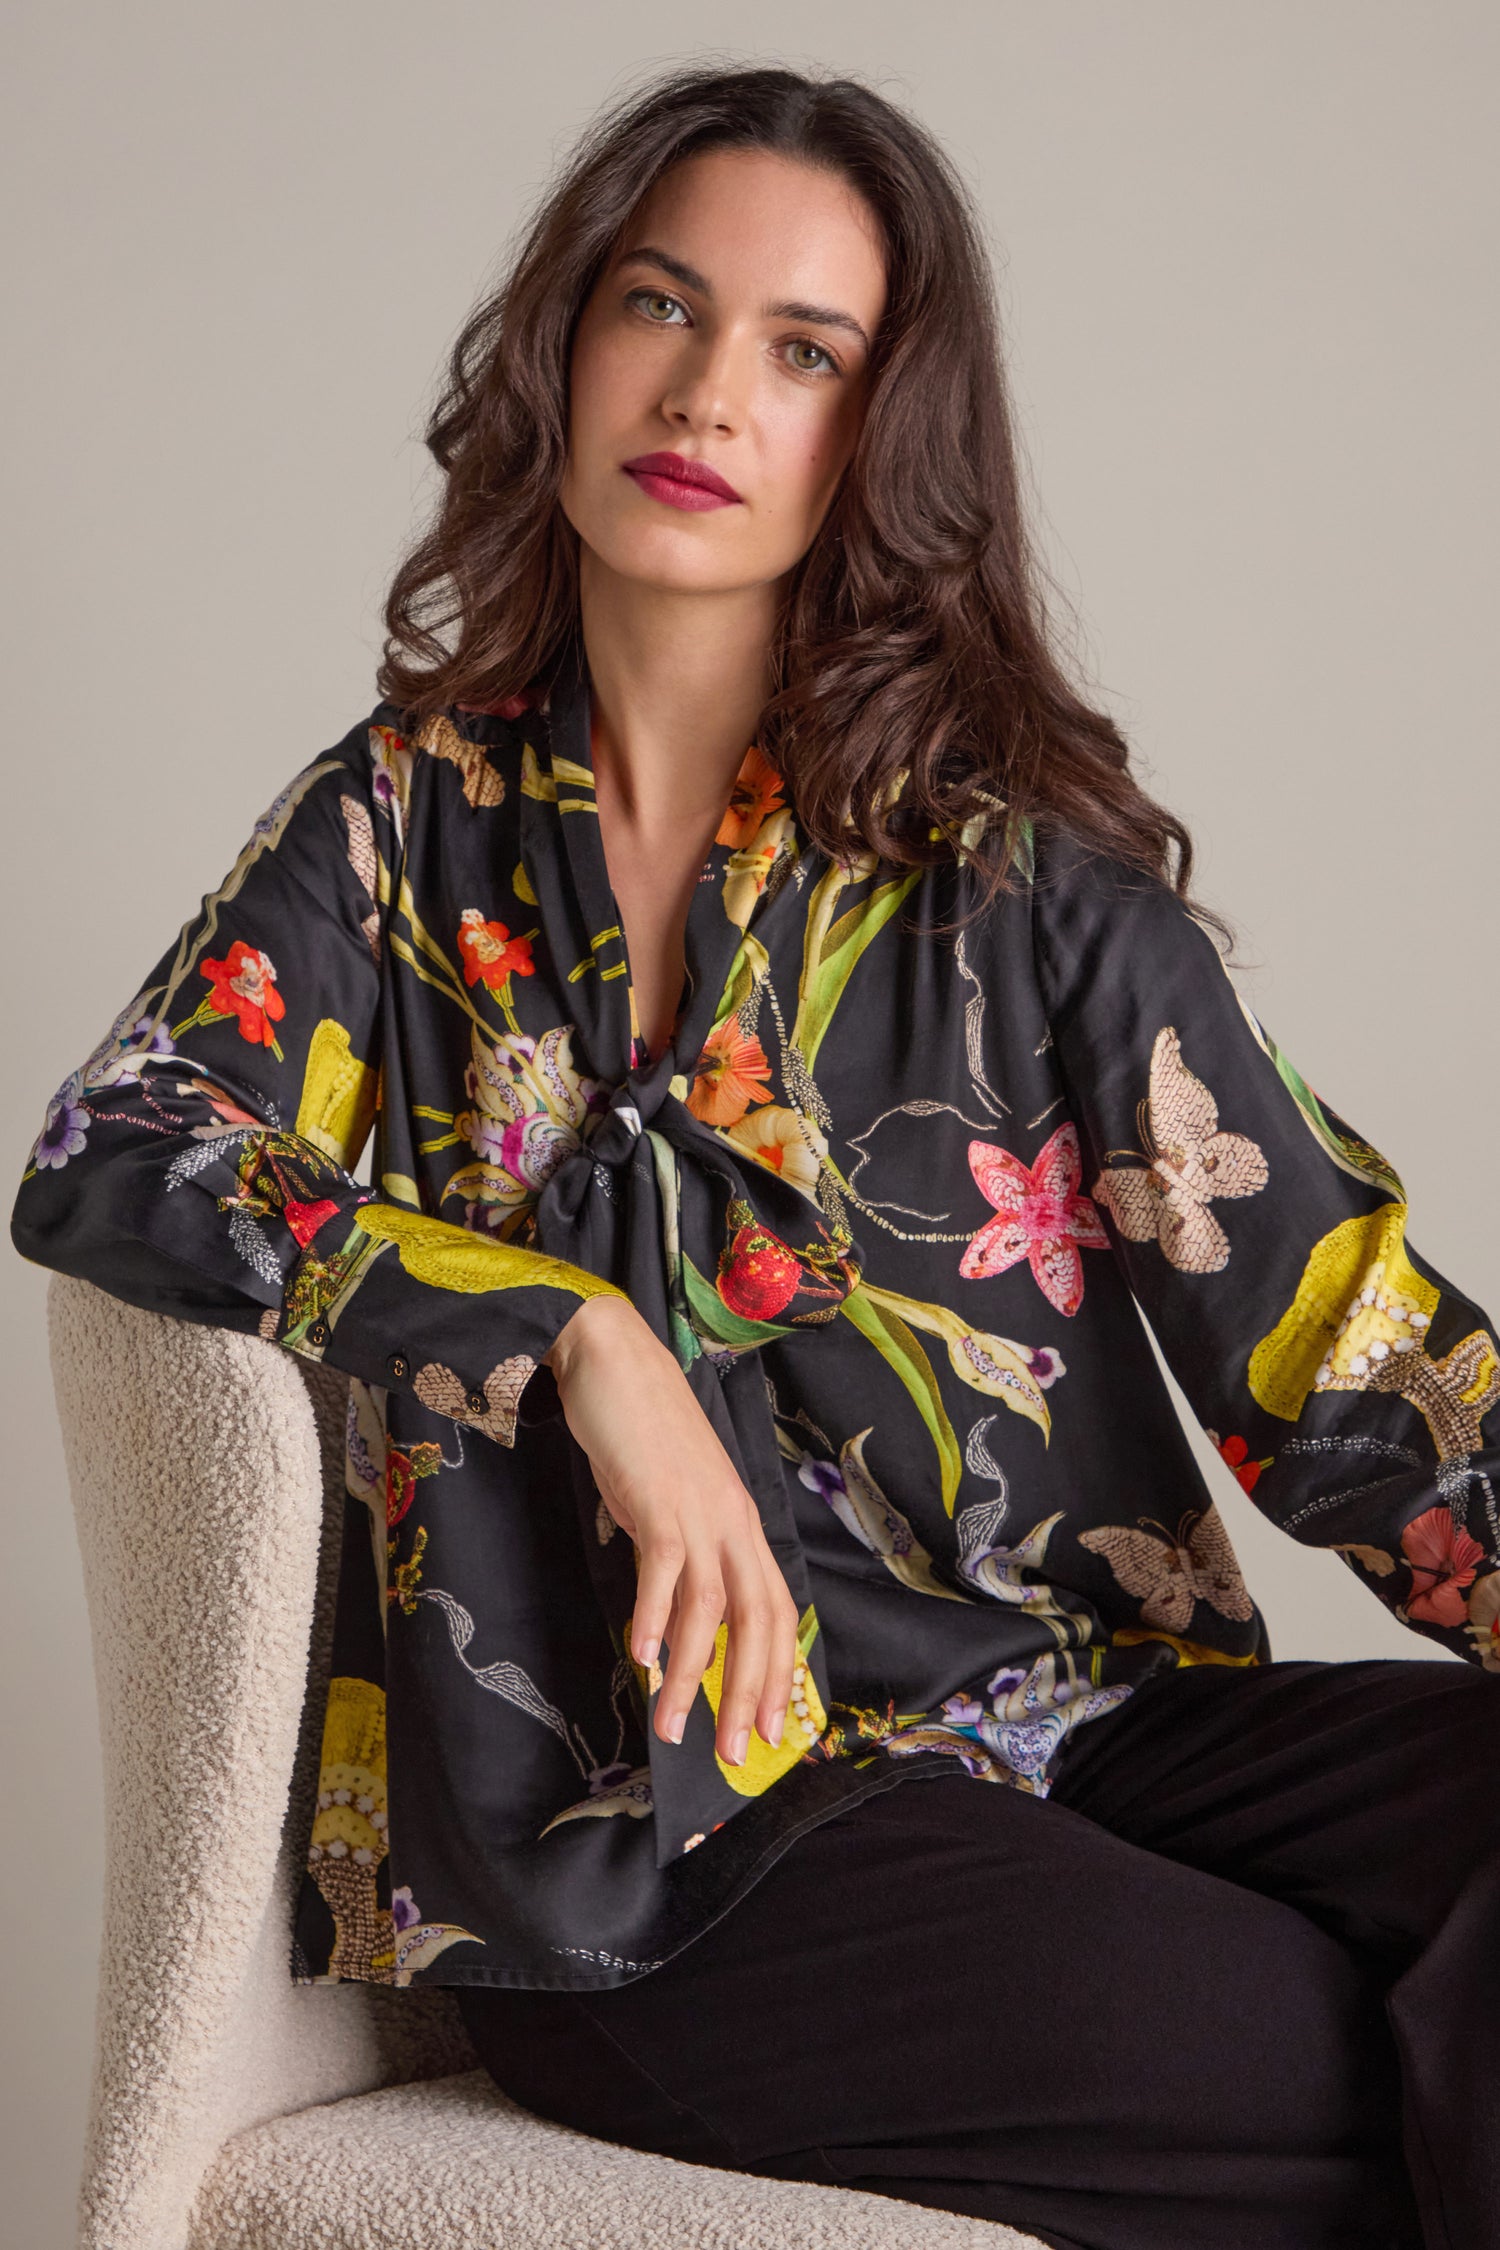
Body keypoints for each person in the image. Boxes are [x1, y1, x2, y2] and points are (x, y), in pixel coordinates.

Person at [12, 60, 1497, 2250]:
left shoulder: (1019, 888)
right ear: (567, 341)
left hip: (1087, 1732)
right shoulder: (396, 829)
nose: (709, 389)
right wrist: (570, 1324)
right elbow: (116, 1152)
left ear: (873, 438)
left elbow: (1354, 1365)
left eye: (804, 351)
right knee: (1326, 2047)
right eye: (660, 305)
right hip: (666, 1837)